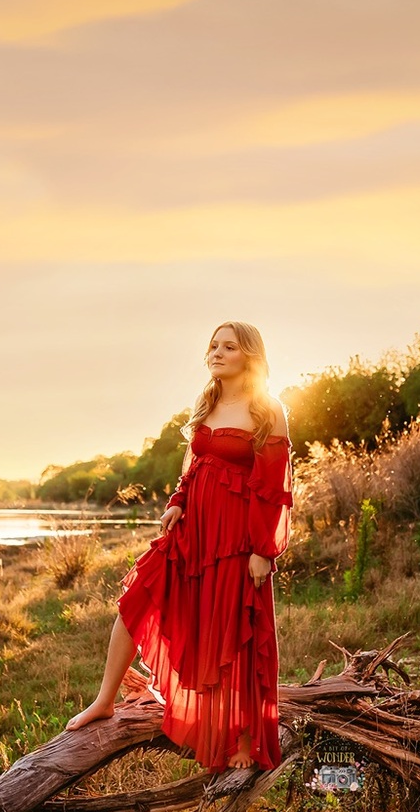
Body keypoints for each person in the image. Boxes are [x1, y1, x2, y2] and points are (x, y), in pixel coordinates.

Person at [66, 321, 293, 771]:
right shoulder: (208, 401)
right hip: (192, 530)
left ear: (249, 355)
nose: (217, 353)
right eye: (213, 346)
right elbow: (194, 466)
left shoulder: (268, 409)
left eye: (229, 347)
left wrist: (262, 550)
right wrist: (177, 501)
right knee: (136, 599)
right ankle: (105, 699)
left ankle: (244, 737)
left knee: (235, 631)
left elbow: (273, 486)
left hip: (235, 537)